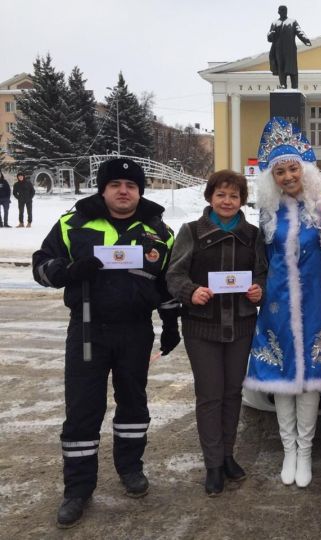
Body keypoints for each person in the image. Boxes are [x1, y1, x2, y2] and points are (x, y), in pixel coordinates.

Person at [32, 157, 181, 528]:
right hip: (87, 330)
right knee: (83, 409)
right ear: (103, 189)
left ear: (140, 191)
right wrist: (66, 272)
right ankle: (78, 489)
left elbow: (166, 281)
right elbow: (41, 264)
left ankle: (131, 469)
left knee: (133, 403)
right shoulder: (74, 223)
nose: (123, 191)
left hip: (135, 331)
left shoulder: (159, 231)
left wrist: (170, 320)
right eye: (115, 184)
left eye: (131, 186)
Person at [245, 117, 321, 488]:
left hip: (317, 301)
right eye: (279, 171)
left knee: (312, 378)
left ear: (307, 169)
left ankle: (307, 450)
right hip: (277, 304)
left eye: (293, 168)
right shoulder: (268, 214)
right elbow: (257, 260)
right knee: (282, 376)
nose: (286, 176)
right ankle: (289, 450)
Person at [166, 169, 267, 496]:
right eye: (221, 194)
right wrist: (190, 291)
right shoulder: (191, 231)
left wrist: (258, 291)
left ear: (242, 201)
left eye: (234, 195)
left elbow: (263, 275)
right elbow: (174, 273)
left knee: (232, 393)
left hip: (240, 325)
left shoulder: (252, 235)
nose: (227, 201)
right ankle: (212, 464)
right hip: (202, 326)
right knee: (210, 395)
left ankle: (227, 456)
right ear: (210, 197)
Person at [267, 5, 311, 89]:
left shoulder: (292, 22)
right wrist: (271, 34)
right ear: (278, 12)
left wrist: (305, 39)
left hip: (290, 50)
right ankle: (283, 84)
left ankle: (295, 86)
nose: (283, 12)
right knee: (281, 67)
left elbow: (299, 31)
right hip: (279, 50)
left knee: (292, 69)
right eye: (282, 10)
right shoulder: (275, 23)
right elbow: (269, 38)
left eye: (285, 10)